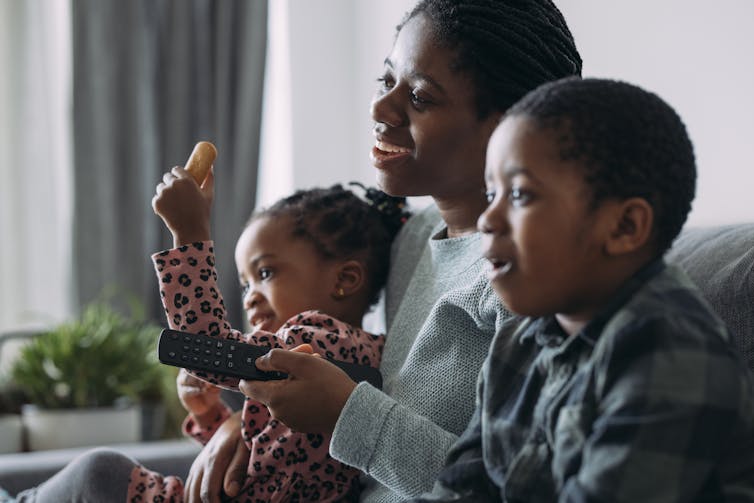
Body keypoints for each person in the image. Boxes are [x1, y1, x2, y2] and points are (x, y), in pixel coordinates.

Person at [231, 1, 582, 502]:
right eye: (386, 81)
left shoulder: (530, 286)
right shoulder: (412, 236)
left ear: (507, 129)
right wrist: (242, 431)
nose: (380, 109)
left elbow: (514, 491)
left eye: (418, 97)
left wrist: (346, 413)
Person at [410, 77, 754, 502]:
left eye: (519, 194)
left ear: (625, 227)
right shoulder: (517, 341)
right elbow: (461, 487)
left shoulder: (672, 355)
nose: (487, 218)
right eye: (490, 192)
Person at [6, 182, 408, 503]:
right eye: (246, 282)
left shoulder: (312, 343)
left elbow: (202, 344)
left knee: (100, 473)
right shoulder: (366, 352)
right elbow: (265, 459)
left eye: (265, 272)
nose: (249, 295)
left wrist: (189, 232)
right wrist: (209, 415)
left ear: (346, 279)